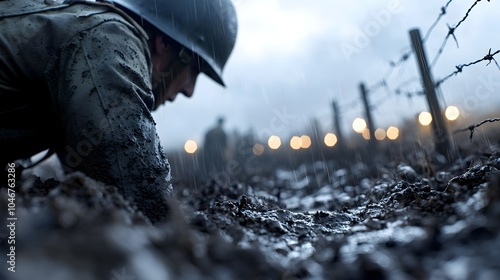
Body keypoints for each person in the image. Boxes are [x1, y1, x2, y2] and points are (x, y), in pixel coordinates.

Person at [0, 0, 238, 224]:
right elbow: (140, 196)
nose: (190, 91)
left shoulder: (80, 26)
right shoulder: (109, 40)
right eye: (194, 70)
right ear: (164, 43)